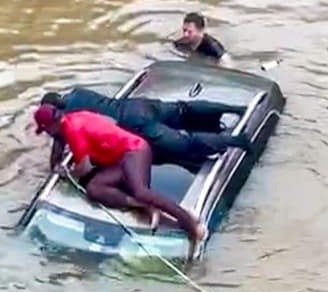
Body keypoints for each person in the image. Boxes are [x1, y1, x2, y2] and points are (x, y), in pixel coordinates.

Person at [33, 104, 207, 251]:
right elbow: (107, 124)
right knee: (95, 189)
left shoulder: (72, 130)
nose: (47, 134)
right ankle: (145, 206)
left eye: (46, 130)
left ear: (51, 126)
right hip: (118, 160)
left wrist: (68, 174)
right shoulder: (74, 117)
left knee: (141, 191)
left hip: (134, 151)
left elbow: (85, 167)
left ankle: (190, 223)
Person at [40, 89, 249, 169]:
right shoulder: (78, 92)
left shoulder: (67, 120)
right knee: (184, 109)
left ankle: (237, 141)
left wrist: (56, 165)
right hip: (138, 104)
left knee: (186, 145)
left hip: (136, 125)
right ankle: (235, 109)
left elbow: (56, 155)